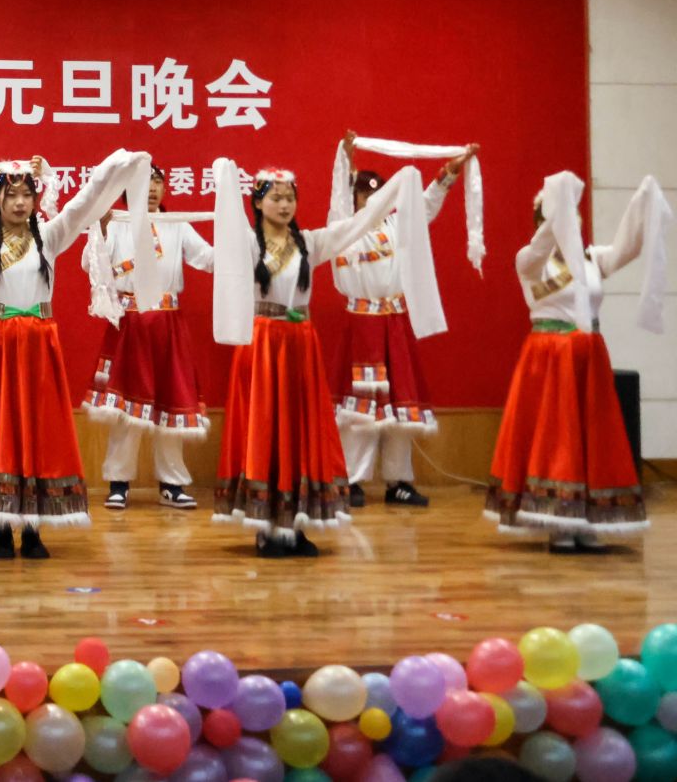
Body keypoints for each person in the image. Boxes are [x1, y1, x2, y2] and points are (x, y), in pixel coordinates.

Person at [0, 149, 153, 559]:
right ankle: (0, 527)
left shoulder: (51, 236)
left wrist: (118, 164)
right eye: (11, 195)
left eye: (27, 194)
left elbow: (84, 204)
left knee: (37, 432)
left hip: (39, 347)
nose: (20, 202)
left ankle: (33, 529)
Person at [210, 160, 442, 558]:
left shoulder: (310, 243)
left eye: (290, 198)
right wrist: (225, 177)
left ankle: (296, 525)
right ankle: (267, 527)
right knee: (266, 432)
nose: (285, 205)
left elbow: (360, 223)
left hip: (301, 345)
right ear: (258, 203)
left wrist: (398, 187)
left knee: (301, 433)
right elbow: (227, 224)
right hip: (263, 346)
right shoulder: (247, 244)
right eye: (276, 198)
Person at [489, 170, 669, 552]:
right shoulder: (531, 262)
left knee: (590, 438)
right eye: (565, 215)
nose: (574, 221)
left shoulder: (591, 259)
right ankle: (559, 523)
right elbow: (542, 244)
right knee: (557, 439)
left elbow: (628, 247)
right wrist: (557, 210)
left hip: (588, 357)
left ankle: (586, 521)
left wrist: (643, 203)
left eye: (574, 214)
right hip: (550, 359)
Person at [328, 132, 476, 509]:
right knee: (359, 408)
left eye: (379, 196)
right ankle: (351, 479)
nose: (373, 202)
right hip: (362, 324)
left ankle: (399, 481)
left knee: (400, 406)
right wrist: (345, 159)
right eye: (365, 196)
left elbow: (425, 205)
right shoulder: (344, 227)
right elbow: (338, 196)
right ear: (354, 199)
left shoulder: (398, 226)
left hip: (394, 323)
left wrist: (449, 173)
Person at [84, 168, 213, 511]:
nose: (152, 189)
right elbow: (89, 265)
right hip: (130, 323)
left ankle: (172, 483)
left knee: (172, 401)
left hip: (168, 324)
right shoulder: (117, 224)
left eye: (157, 182)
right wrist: (100, 229)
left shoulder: (176, 225)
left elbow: (207, 258)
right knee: (125, 410)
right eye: (144, 184)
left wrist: (236, 241)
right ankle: (118, 483)